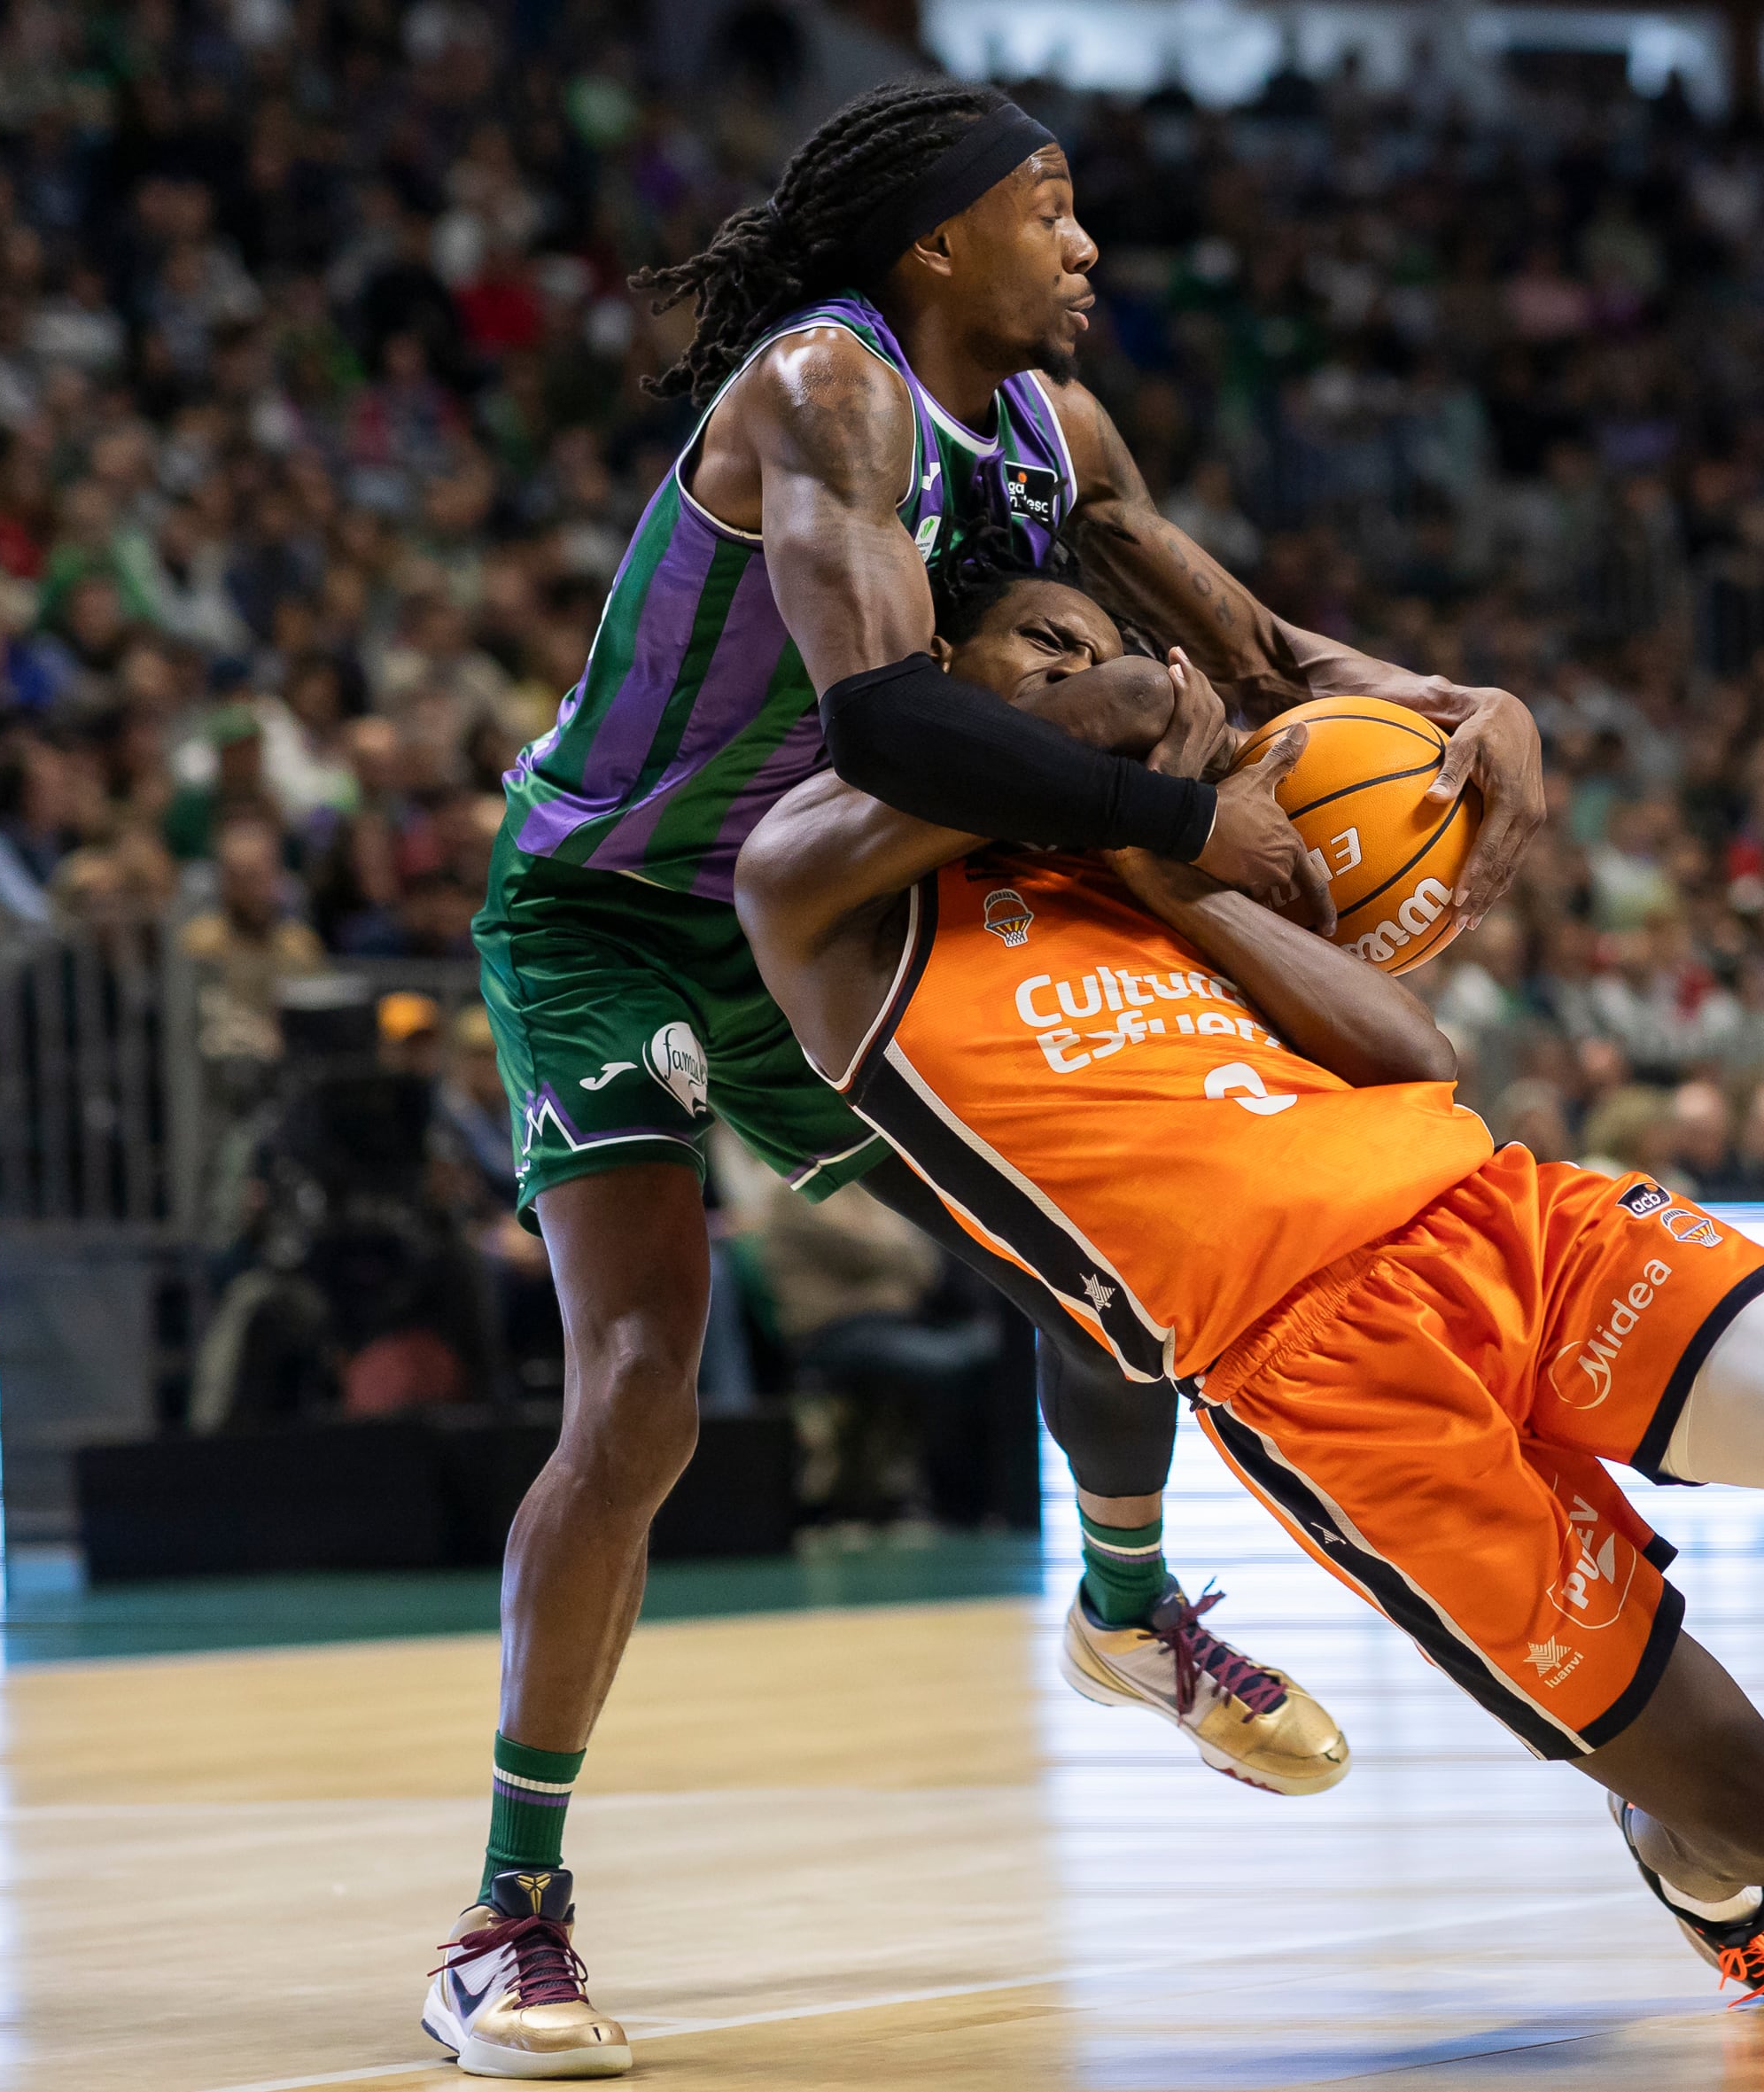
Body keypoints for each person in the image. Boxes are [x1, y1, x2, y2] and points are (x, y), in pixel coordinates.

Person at [438, 83, 1547, 2080]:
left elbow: (1272, 648)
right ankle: (510, 1910)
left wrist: (1454, 708)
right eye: (1048, 210)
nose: (1087, 246)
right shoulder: (823, 393)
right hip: (615, 905)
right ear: (935, 242)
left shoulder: (1058, 428)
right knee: (640, 1384)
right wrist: (1153, 802)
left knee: (1096, 1236)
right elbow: (881, 719)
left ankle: (1126, 1613)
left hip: (835, 912)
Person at [732, 559, 1764, 2071]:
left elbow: (1407, 1045)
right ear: (935, 666)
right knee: (1752, 1815)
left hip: (1495, 1218)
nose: (1087, 668)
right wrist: (1148, 708)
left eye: (1098, 643)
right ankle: (1691, 1856)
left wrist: (1174, 867)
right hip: (1324, 1380)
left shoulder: (1160, 860)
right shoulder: (829, 902)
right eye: (1042, 641)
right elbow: (1106, 711)